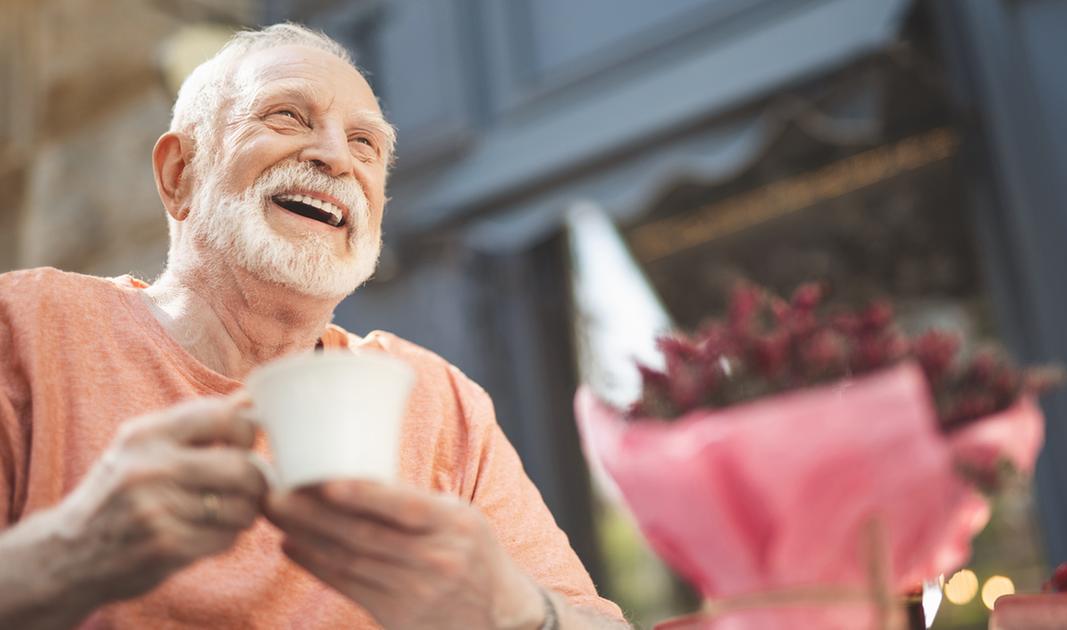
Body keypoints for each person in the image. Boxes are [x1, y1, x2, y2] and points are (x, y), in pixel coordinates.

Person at [0, 23, 628, 630]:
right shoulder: (28, 327)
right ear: (178, 174)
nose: (334, 157)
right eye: (287, 116)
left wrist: (514, 610)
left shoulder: (438, 403)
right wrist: (69, 552)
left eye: (366, 144)